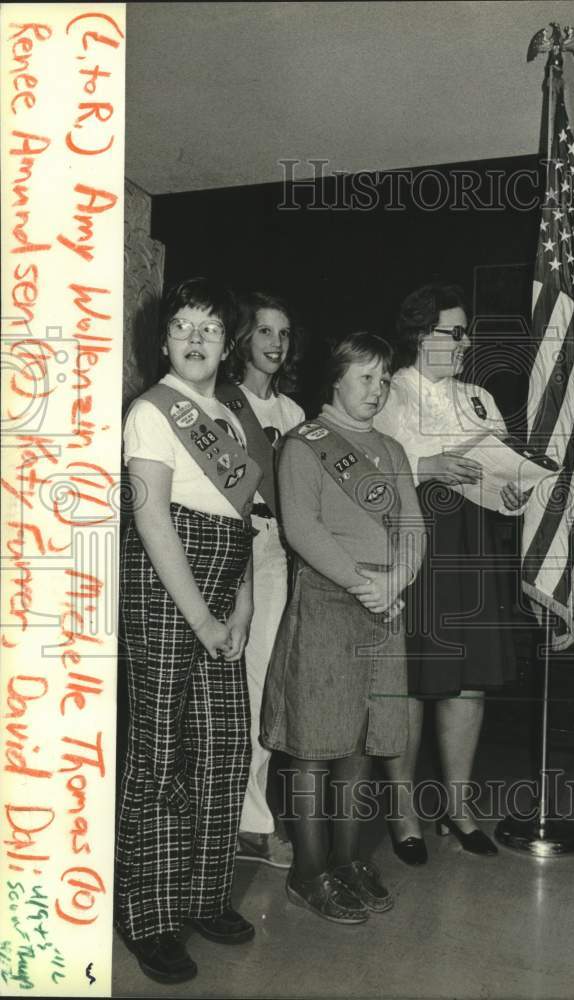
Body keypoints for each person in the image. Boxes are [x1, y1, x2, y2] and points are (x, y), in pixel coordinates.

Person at [115, 278, 260, 984]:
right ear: (164, 340)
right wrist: (200, 615)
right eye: (183, 326)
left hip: (222, 584)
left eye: (209, 326)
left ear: (226, 343)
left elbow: (243, 523)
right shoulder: (150, 411)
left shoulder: (229, 418)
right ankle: (149, 917)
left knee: (225, 747)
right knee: (161, 752)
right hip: (167, 585)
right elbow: (151, 519)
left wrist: (241, 607)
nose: (197, 338)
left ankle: (202, 895)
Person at [261, 332, 425, 923]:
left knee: (361, 740)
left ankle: (348, 859)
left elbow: (414, 529)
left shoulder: (391, 450)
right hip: (330, 599)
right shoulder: (305, 444)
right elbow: (302, 529)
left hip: (384, 603)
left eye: (384, 380)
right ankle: (308, 872)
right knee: (312, 745)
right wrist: (367, 584)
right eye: (366, 378)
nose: (377, 390)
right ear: (336, 379)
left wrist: (396, 582)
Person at [374, 283, 530, 865]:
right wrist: (428, 465)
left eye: (467, 332)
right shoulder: (389, 391)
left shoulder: (480, 397)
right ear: (420, 334)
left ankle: (459, 809)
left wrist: (512, 490)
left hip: (474, 545)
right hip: (416, 545)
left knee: (469, 681)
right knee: (415, 680)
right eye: (454, 331)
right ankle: (404, 812)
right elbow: (367, 466)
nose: (465, 343)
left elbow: (501, 468)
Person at [221, 292, 305, 869]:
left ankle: (246, 815)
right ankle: (244, 819)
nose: (275, 342)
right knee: (245, 686)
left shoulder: (297, 414)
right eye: (265, 331)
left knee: (270, 685)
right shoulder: (223, 404)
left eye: (284, 332)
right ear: (244, 338)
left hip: (284, 555)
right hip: (237, 556)